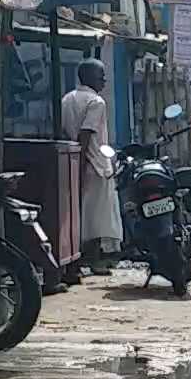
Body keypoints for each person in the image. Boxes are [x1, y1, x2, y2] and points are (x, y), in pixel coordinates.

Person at [58, 58, 122, 275]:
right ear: (90, 77)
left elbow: (66, 134)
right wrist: (82, 168)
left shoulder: (67, 99)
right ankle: (93, 261)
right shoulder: (96, 102)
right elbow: (85, 135)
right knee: (96, 217)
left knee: (77, 214)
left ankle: (76, 260)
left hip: (72, 161)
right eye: (101, 75)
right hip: (93, 165)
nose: (104, 80)